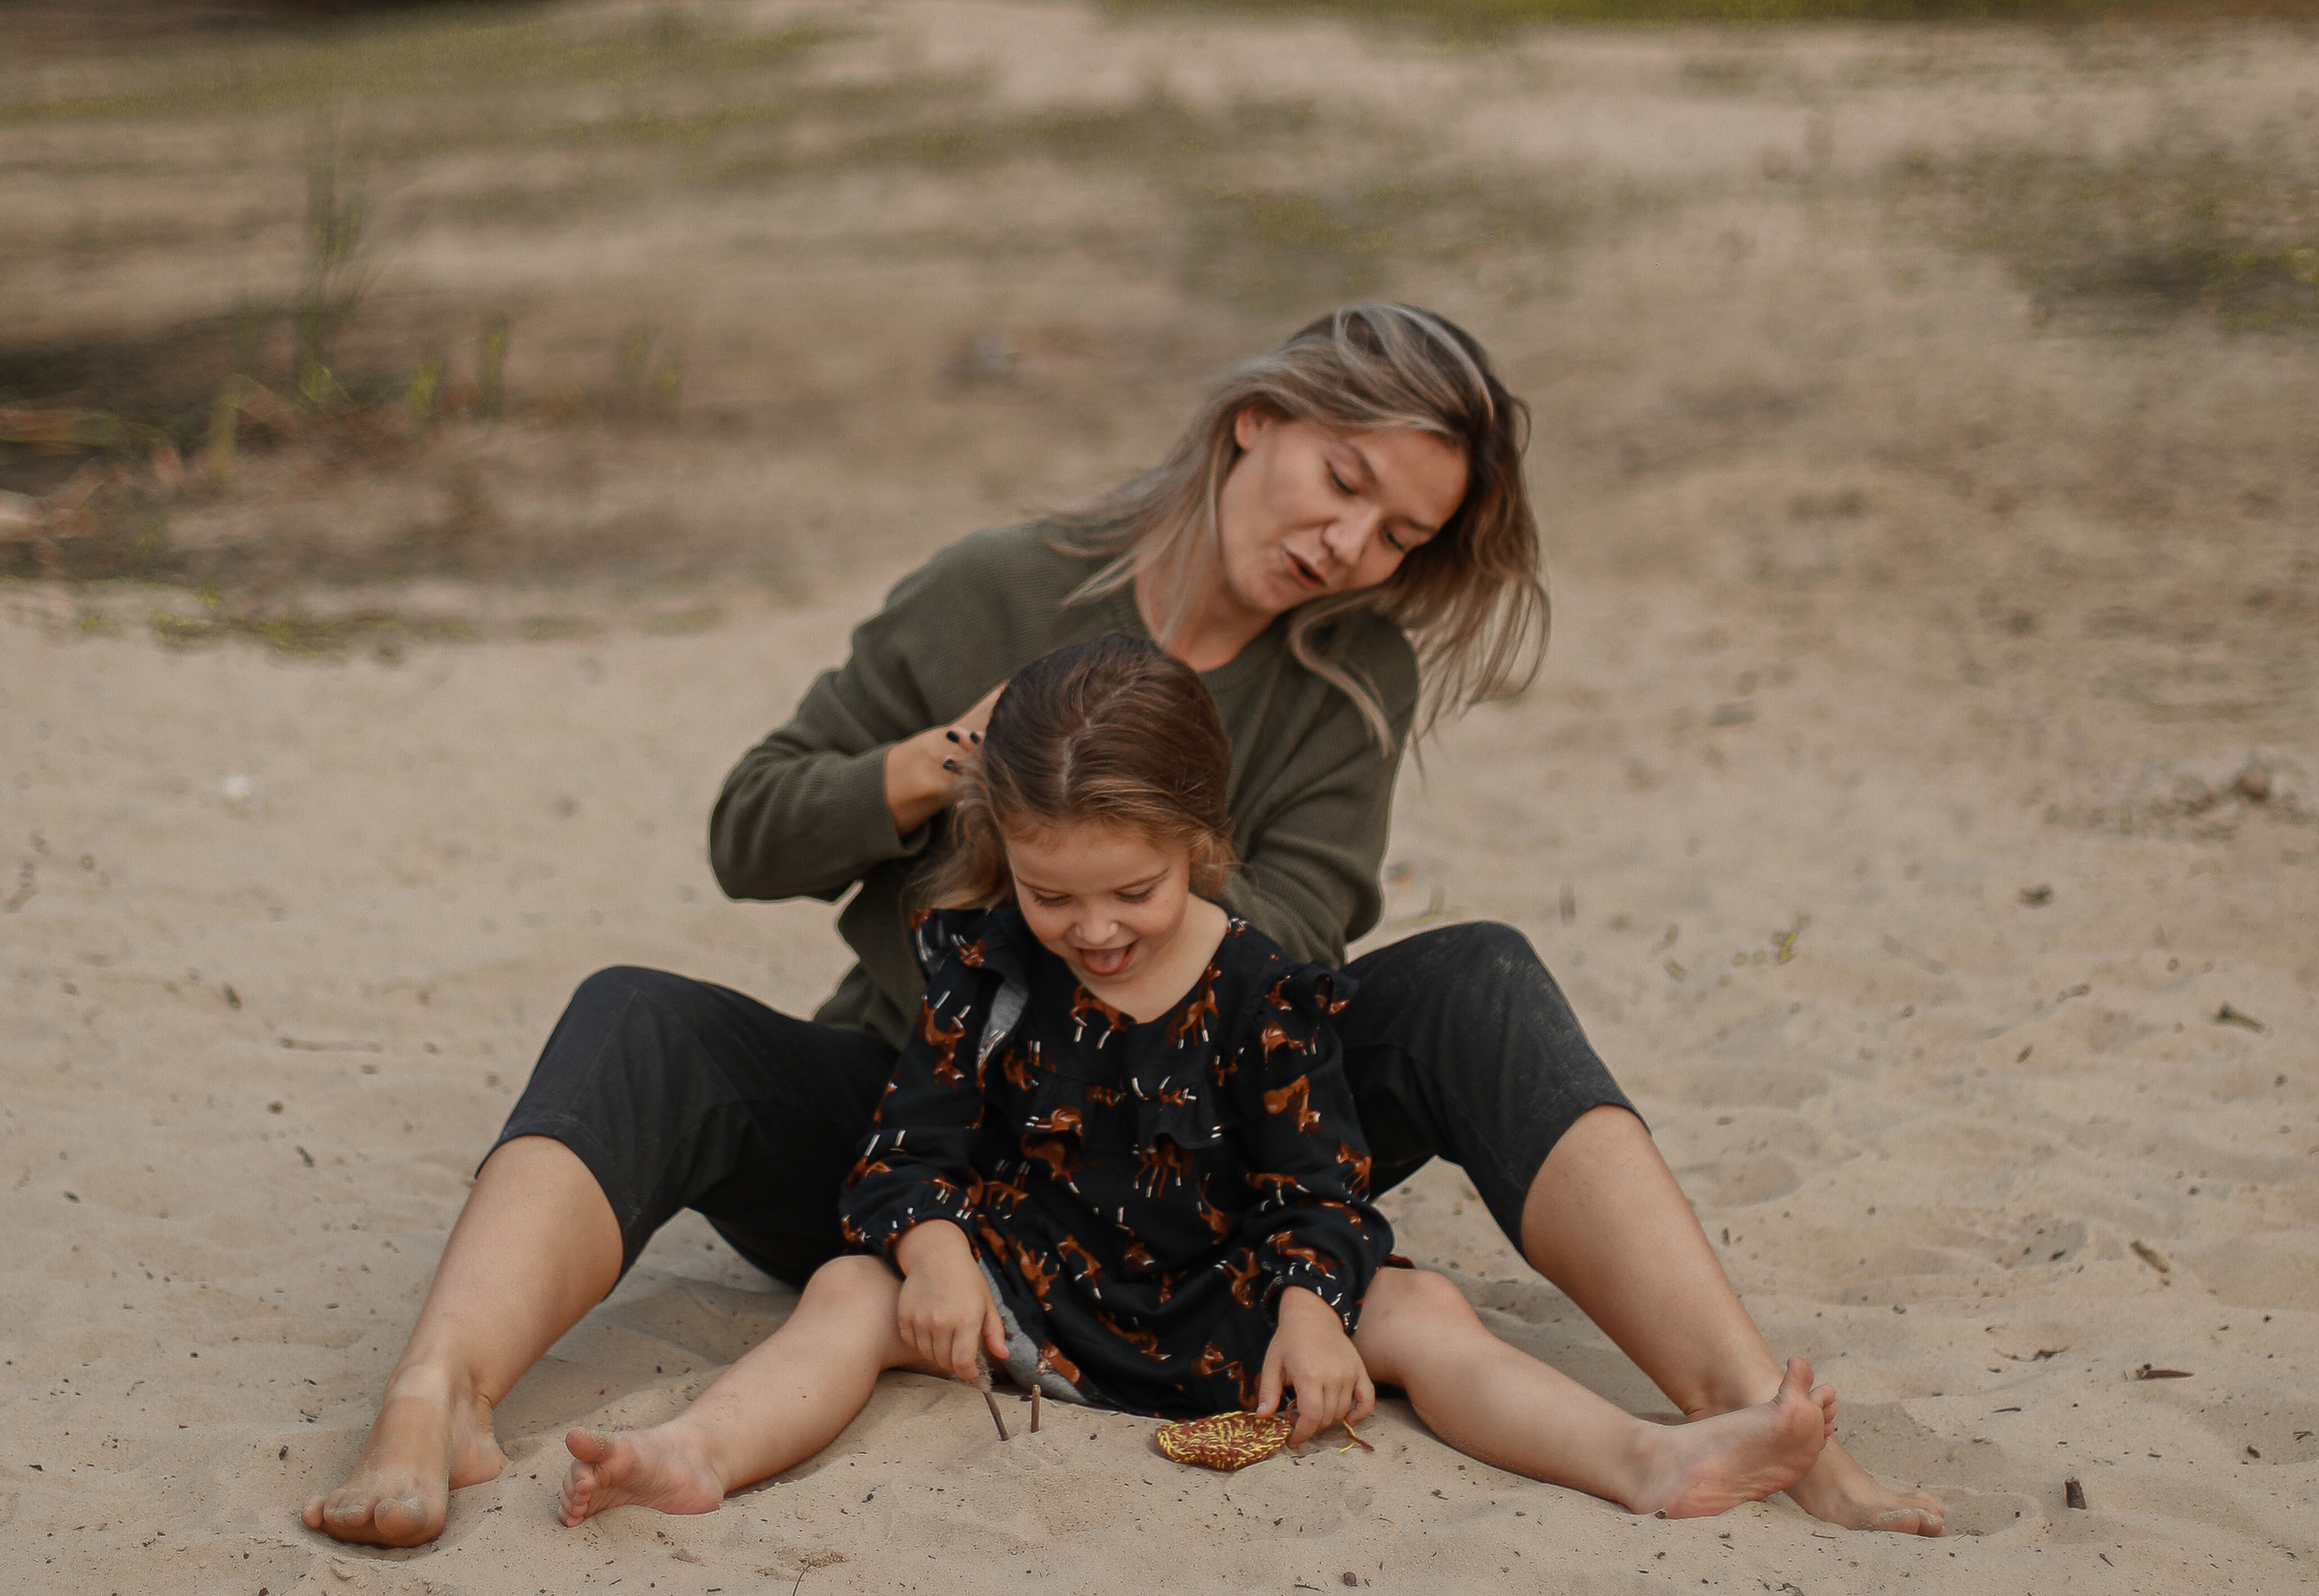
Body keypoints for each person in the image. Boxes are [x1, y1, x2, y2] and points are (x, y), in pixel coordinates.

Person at [304, 298, 1943, 1546]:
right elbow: (752, 828)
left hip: (1200, 1157)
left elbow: (1299, 937)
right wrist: (978, 766)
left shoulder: (1347, 676)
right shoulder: (997, 585)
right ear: (1257, 421)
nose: (1347, 543)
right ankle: (436, 1396)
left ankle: (1751, 1406)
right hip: (920, 1133)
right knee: (636, 1013)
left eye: (1400, 535)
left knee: (1480, 979)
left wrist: (1138, 854)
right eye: (1343, 481)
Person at [553, 639, 1841, 1523]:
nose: (1096, 928)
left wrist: (1309, 1308)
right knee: (849, 1285)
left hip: (1227, 1300)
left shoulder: (1261, 991)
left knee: (1427, 1312)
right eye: (1053, 894)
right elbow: (906, 1153)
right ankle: (697, 1455)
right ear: (1004, 858)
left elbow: (1320, 1190)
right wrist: (936, 1249)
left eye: (1135, 892)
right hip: (1033, 1289)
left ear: (1202, 849)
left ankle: (1644, 1462)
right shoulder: (984, 969)